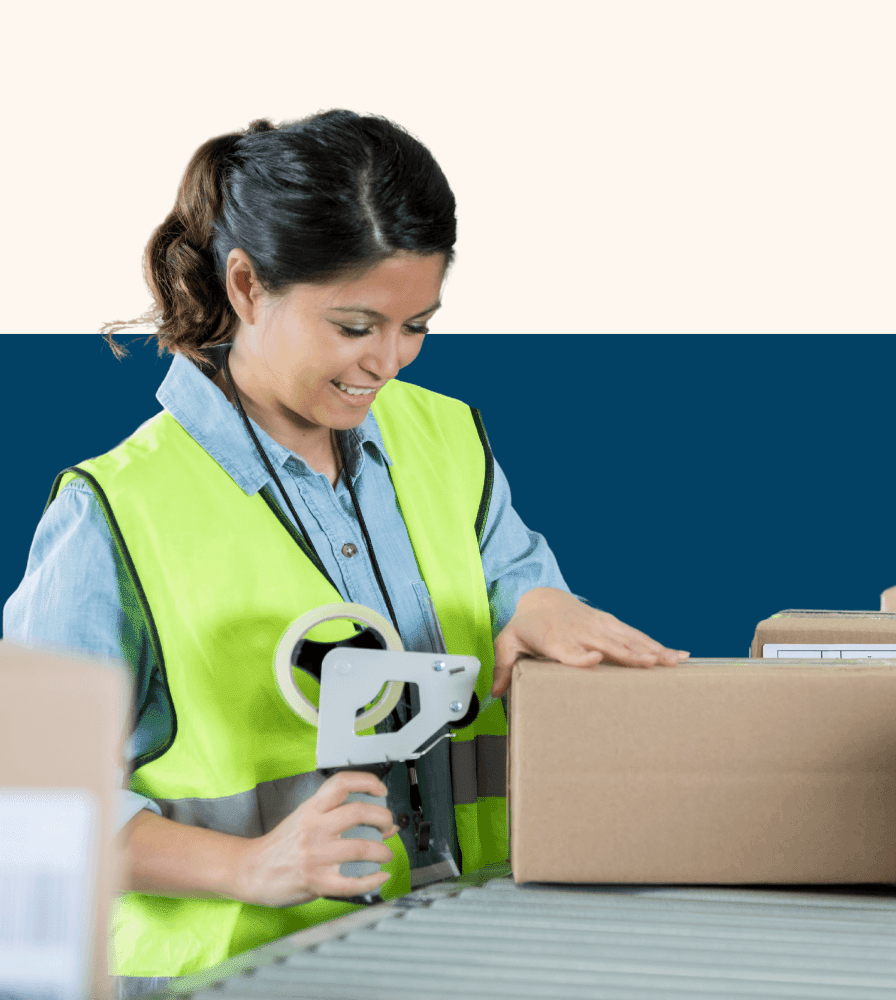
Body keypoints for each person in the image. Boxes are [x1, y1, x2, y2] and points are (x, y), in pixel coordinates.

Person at [2, 109, 689, 998]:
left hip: (457, 956)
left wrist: (541, 608)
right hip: (240, 979)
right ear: (246, 286)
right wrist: (252, 866)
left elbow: (512, 585)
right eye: (356, 326)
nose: (389, 361)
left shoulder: (449, 441)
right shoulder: (116, 515)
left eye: (418, 326)